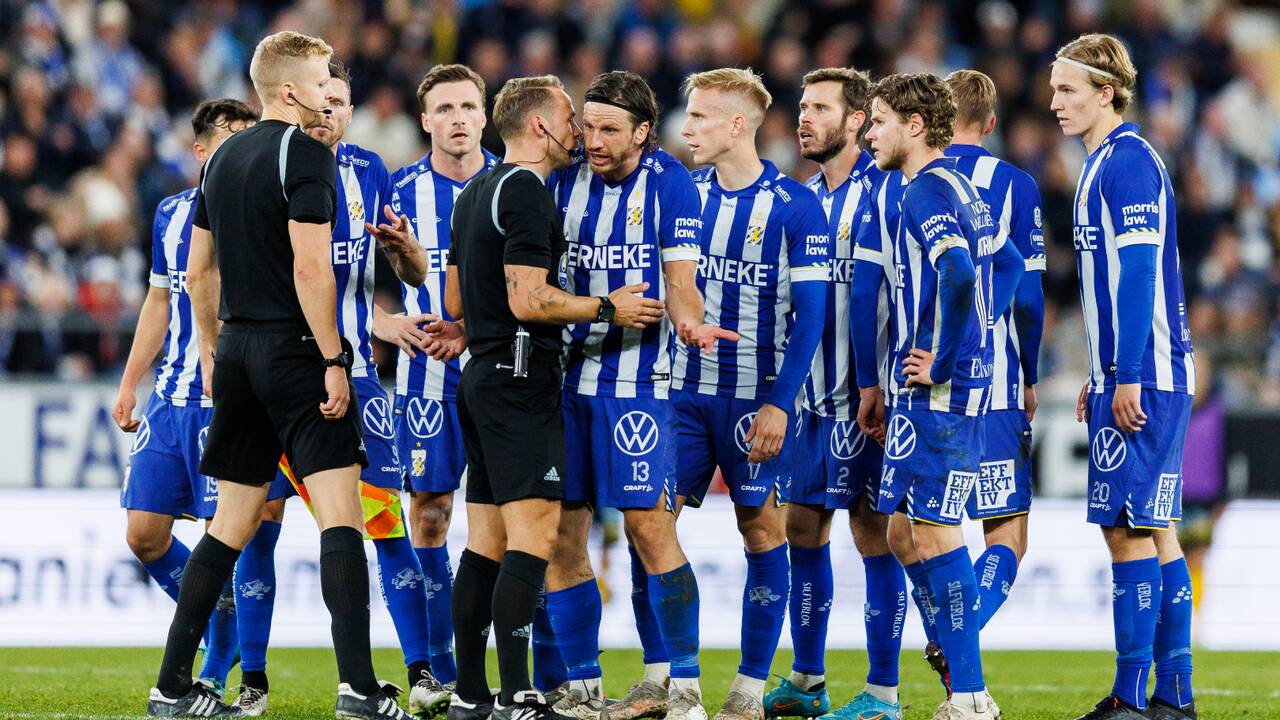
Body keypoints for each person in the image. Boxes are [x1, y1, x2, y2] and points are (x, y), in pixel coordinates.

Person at [145, 31, 406, 719]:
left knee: (228, 526)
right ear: (289, 90)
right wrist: (333, 359)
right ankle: (359, 690)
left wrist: (211, 350)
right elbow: (311, 268)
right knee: (341, 518)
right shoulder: (306, 154)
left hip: (236, 352)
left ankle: (170, 687)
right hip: (297, 355)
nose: (329, 95)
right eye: (321, 82)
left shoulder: (222, 158)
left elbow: (198, 271)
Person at [443, 74, 661, 720]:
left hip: (481, 376)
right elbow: (528, 298)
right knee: (533, 540)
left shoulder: (474, 190)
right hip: (519, 379)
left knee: (484, 545)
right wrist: (606, 307)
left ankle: (470, 695)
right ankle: (517, 696)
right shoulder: (526, 191)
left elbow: (455, 298)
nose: (579, 133)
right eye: (570, 119)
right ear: (539, 126)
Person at [230, 59, 439, 717]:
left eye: (341, 101)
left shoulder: (370, 171)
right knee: (256, 522)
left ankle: (421, 672)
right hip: (279, 371)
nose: (330, 110)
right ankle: (251, 680)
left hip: (352, 374)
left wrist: (404, 254)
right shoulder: (271, 163)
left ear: (350, 111)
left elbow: (409, 272)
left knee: (384, 521)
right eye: (323, 97)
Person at [546, 69, 733, 720]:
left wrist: (690, 323)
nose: (593, 141)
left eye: (609, 130)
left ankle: (684, 688)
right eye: (588, 127)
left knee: (649, 530)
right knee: (562, 536)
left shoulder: (669, 182)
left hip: (639, 388)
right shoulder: (562, 176)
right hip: (562, 384)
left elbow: (681, 282)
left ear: (643, 132)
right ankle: (582, 687)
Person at [856, 72, 1025, 720]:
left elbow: (957, 271)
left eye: (878, 121)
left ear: (915, 125)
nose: (869, 134)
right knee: (904, 532)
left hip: (939, 395)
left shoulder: (925, 190)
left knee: (934, 535)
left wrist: (948, 359)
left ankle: (971, 694)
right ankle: (959, 664)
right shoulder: (962, 187)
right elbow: (1007, 265)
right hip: (941, 392)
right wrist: (979, 334)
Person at [672, 67, 831, 720]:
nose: (686, 129)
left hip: (755, 400)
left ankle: (746, 690)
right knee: (648, 525)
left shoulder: (795, 206)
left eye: (700, 117)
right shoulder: (682, 195)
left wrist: (780, 402)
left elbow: (812, 316)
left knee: (761, 530)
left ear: (737, 125)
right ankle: (675, 683)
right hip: (680, 395)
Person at [1050, 33, 1197, 720]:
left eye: (1068, 90)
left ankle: (1131, 697)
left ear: (1106, 92)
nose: (1056, 102)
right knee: (1156, 528)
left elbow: (1138, 273)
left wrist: (1127, 374)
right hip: (1138, 369)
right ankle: (1175, 695)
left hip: (1148, 373)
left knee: (1128, 529)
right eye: (1053, 90)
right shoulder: (1106, 162)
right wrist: (1102, 371)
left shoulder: (1127, 163)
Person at [764, 68, 906, 720]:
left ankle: (883, 691)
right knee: (801, 525)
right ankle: (808, 678)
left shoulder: (886, 190)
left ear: (856, 121)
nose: (804, 118)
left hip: (870, 400)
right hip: (808, 401)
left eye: (820, 108)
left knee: (873, 530)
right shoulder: (800, 201)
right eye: (802, 106)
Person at [905, 68, 1047, 695]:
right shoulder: (1014, 184)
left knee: (918, 530)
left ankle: (948, 650)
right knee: (1005, 532)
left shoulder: (908, 179)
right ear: (990, 122)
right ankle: (958, 639)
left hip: (920, 377)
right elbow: (1029, 291)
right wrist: (1028, 370)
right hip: (997, 380)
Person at [113, 97, 257, 702]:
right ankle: (219, 626)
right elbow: (158, 300)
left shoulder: (259, 212)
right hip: (170, 399)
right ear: (200, 150)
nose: (244, 147)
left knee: (225, 537)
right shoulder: (170, 213)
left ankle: (216, 666)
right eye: (231, 137)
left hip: (227, 397)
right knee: (144, 534)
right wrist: (130, 381)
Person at [378, 63, 500, 699]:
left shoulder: (515, 184)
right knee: (429, 514)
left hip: (503, 373)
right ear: (425, 120)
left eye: (468, 107)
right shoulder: (398, 192)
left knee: (517, 520)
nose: (458, 118)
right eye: (445, 108)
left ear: (485, 115)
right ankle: (438, 670)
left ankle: (541, 674)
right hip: (426, 376)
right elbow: (354, 285)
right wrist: (385, 322)